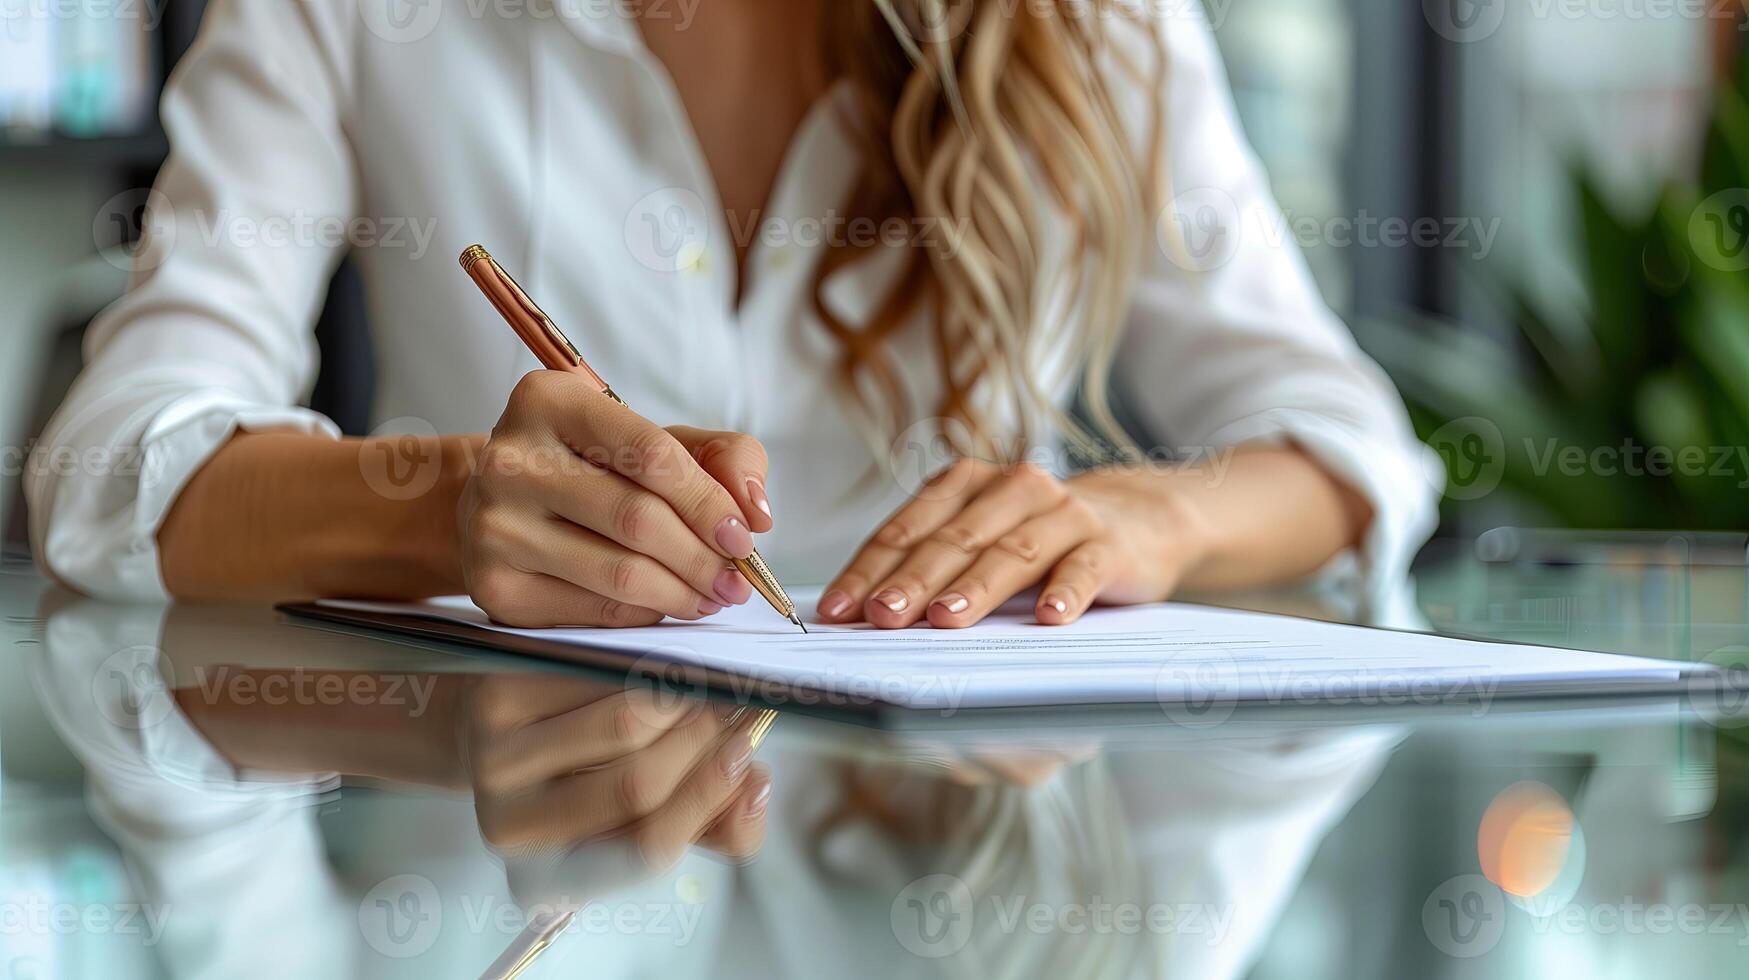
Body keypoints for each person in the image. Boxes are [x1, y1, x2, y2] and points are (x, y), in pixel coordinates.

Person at [27, 0, 1436, 629]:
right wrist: (440, 508)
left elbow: (1346, 448)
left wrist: (1155, 519)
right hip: (503, 868)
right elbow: (104, 474)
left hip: (965, 859)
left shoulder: (1087, 19)